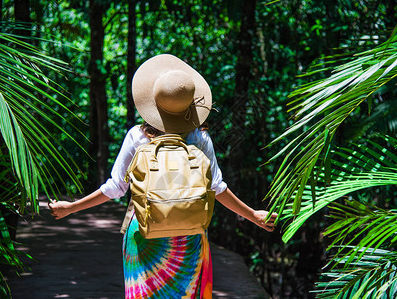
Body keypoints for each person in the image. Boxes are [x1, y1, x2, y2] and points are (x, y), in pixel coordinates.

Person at [49, 54, 277, 299]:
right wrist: (253, 215)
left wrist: (72, 207)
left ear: (153, 104)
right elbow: (217, 188)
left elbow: (116, 188)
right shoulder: (199, 138)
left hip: (146, 231)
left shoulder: (137, 136)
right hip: (188, 236)